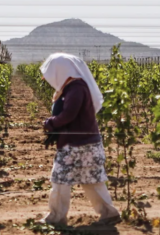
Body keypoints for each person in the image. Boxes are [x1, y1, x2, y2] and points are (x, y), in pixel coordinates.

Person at [38, 53, 121, 226]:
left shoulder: (76, 89)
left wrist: (50, 123)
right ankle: (108, 213)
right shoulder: (72, 87)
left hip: (77, 144)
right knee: (90, 180)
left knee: (62, 178)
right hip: (83, 143)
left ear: (61, 71)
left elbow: (69, 115)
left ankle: (57, 218)